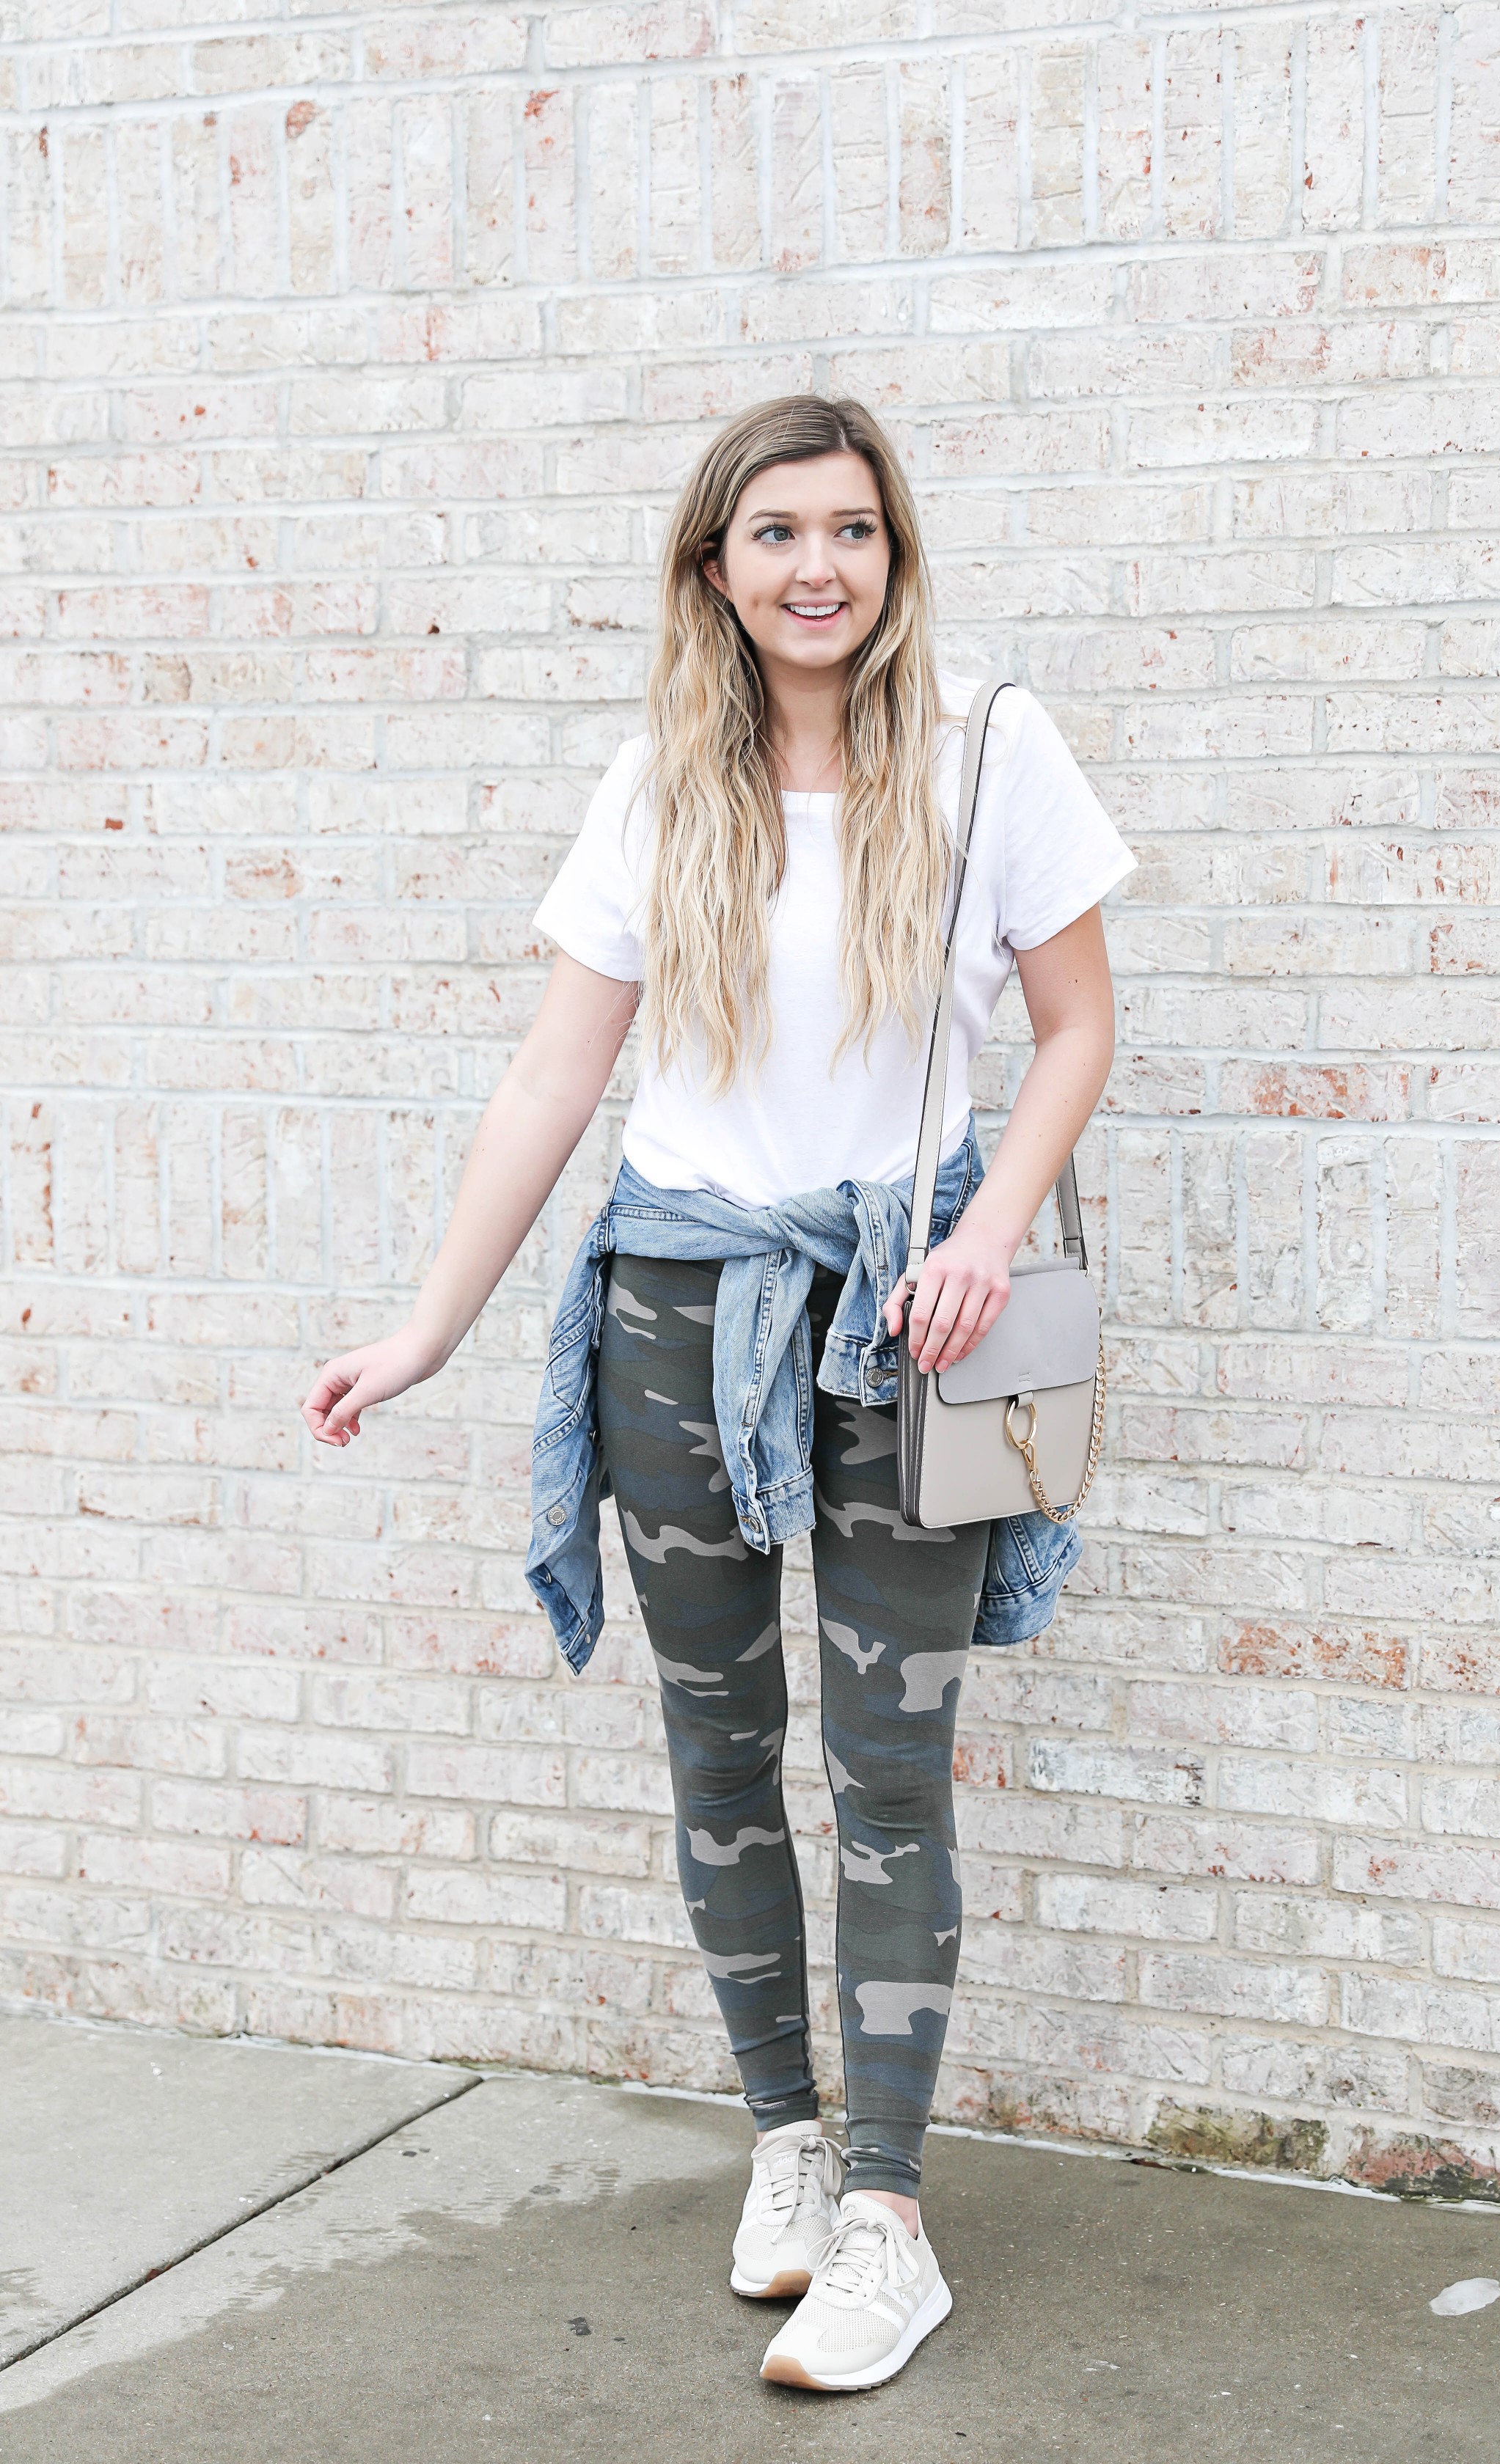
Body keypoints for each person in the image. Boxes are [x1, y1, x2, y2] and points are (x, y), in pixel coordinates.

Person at [302, 394, 1133, 2394]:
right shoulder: (660, 784)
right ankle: (782, 2142)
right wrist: (426, 1327)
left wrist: (991, 1232)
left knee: (891, 1767)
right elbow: (552, 1083)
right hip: (679, 1311)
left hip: (906, 1326)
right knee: (715, 1753)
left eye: (852, 528)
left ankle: (892, 2216)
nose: (819, 565)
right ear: (716, 567)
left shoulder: (986, 754)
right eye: (778, 532)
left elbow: (1080, 1026)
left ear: (895, 553)